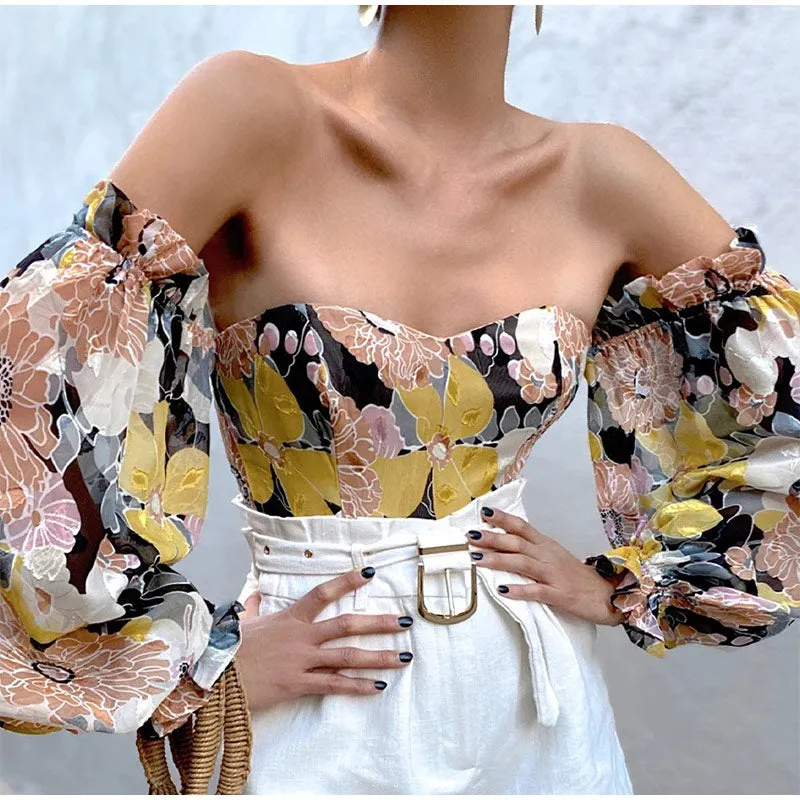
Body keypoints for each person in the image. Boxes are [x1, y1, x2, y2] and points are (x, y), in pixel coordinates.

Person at [0, 4, 798, 795]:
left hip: (536, 708)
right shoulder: (251, 110)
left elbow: (778, 411)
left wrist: (628, 585)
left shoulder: (603, 174)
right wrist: (190, 662)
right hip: (316, 691)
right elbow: (37, 385)